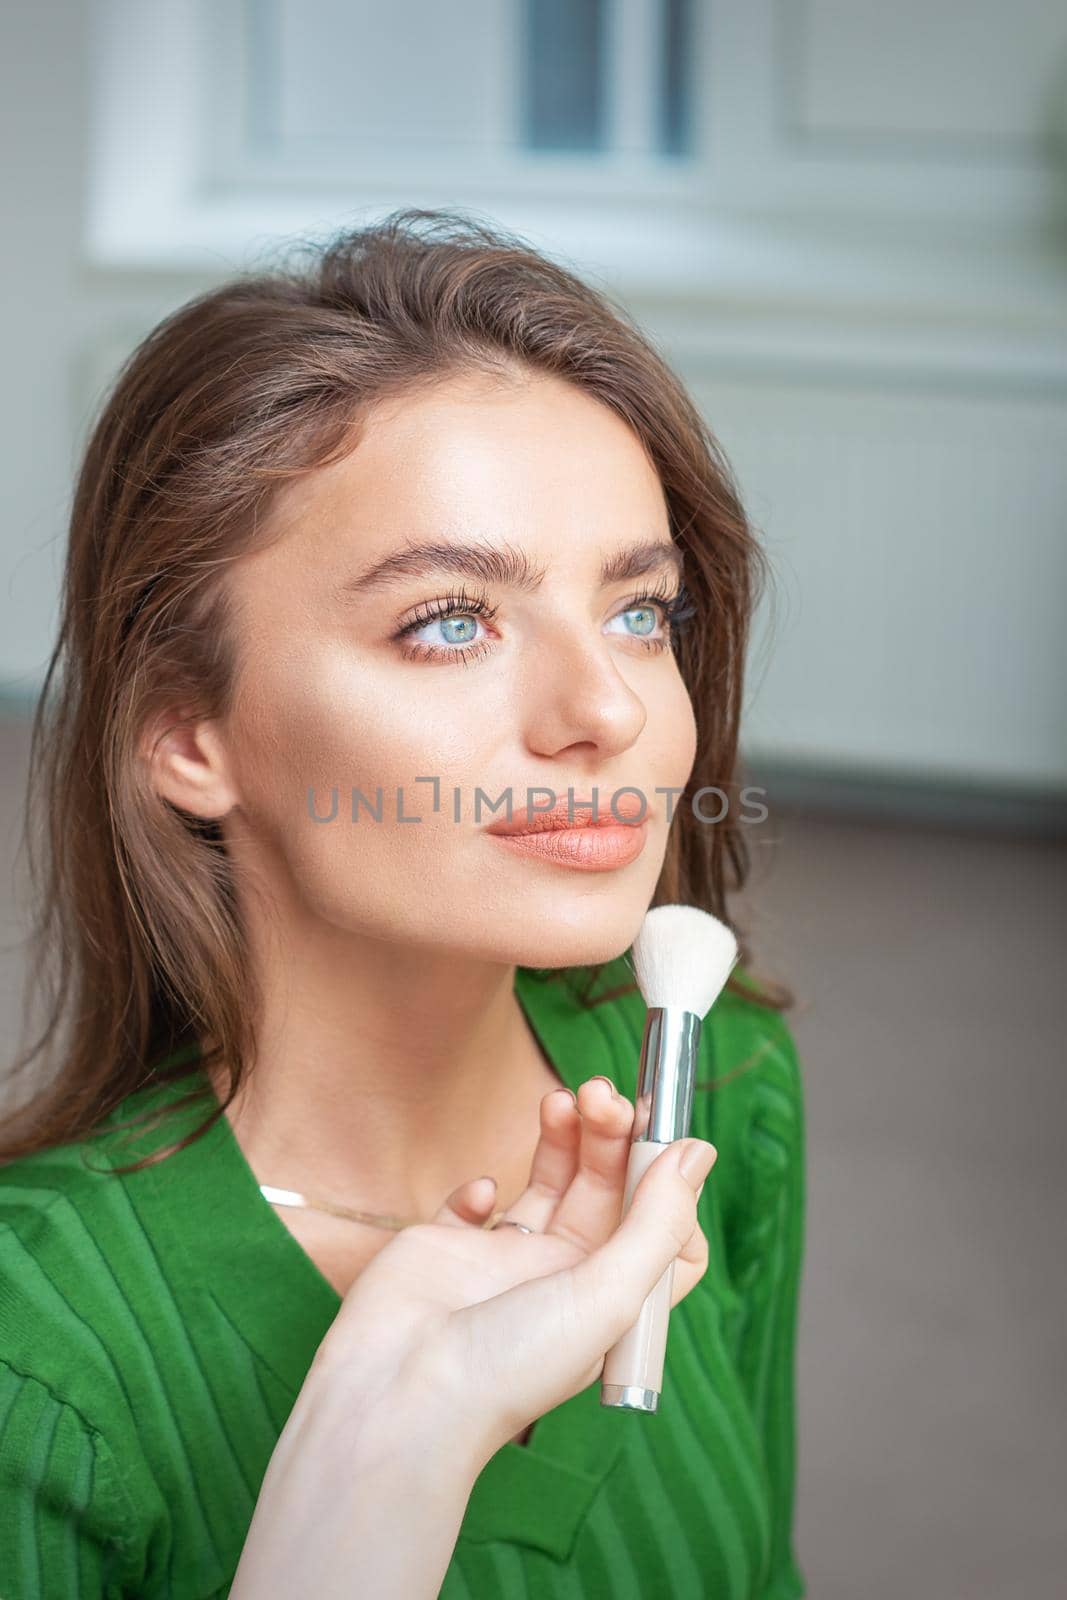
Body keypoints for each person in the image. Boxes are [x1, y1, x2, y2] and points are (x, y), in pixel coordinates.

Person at [0, 208, 806, 1598]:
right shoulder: (42, 1353)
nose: (606, 709)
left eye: (641, 610)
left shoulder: (716, 1078)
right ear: (190, 734)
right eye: (449, 622)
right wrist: (386, 1466)